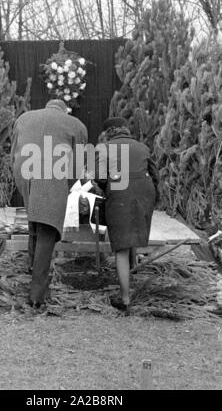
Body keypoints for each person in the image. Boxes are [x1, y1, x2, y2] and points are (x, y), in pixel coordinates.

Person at [11, 99, 88, 308]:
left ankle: (32, 269)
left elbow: (13, 152)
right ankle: (37, 295)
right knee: (47, 230)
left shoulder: (24, 118)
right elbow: (78, 165)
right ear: (64, 110)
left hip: (25, 171)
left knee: (35, 221)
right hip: (53, 174)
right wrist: (65, 186)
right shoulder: (76, 125)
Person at [94, 117, 160, 314]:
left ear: (108, 132)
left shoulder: (104, 148)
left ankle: (125, 299)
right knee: (132, 237)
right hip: (144, 193)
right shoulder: (142, 147)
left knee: (121, 247)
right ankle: (132, 274)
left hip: (120, 194)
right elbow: (155, 175)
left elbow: (99, 176)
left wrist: (108, 190)